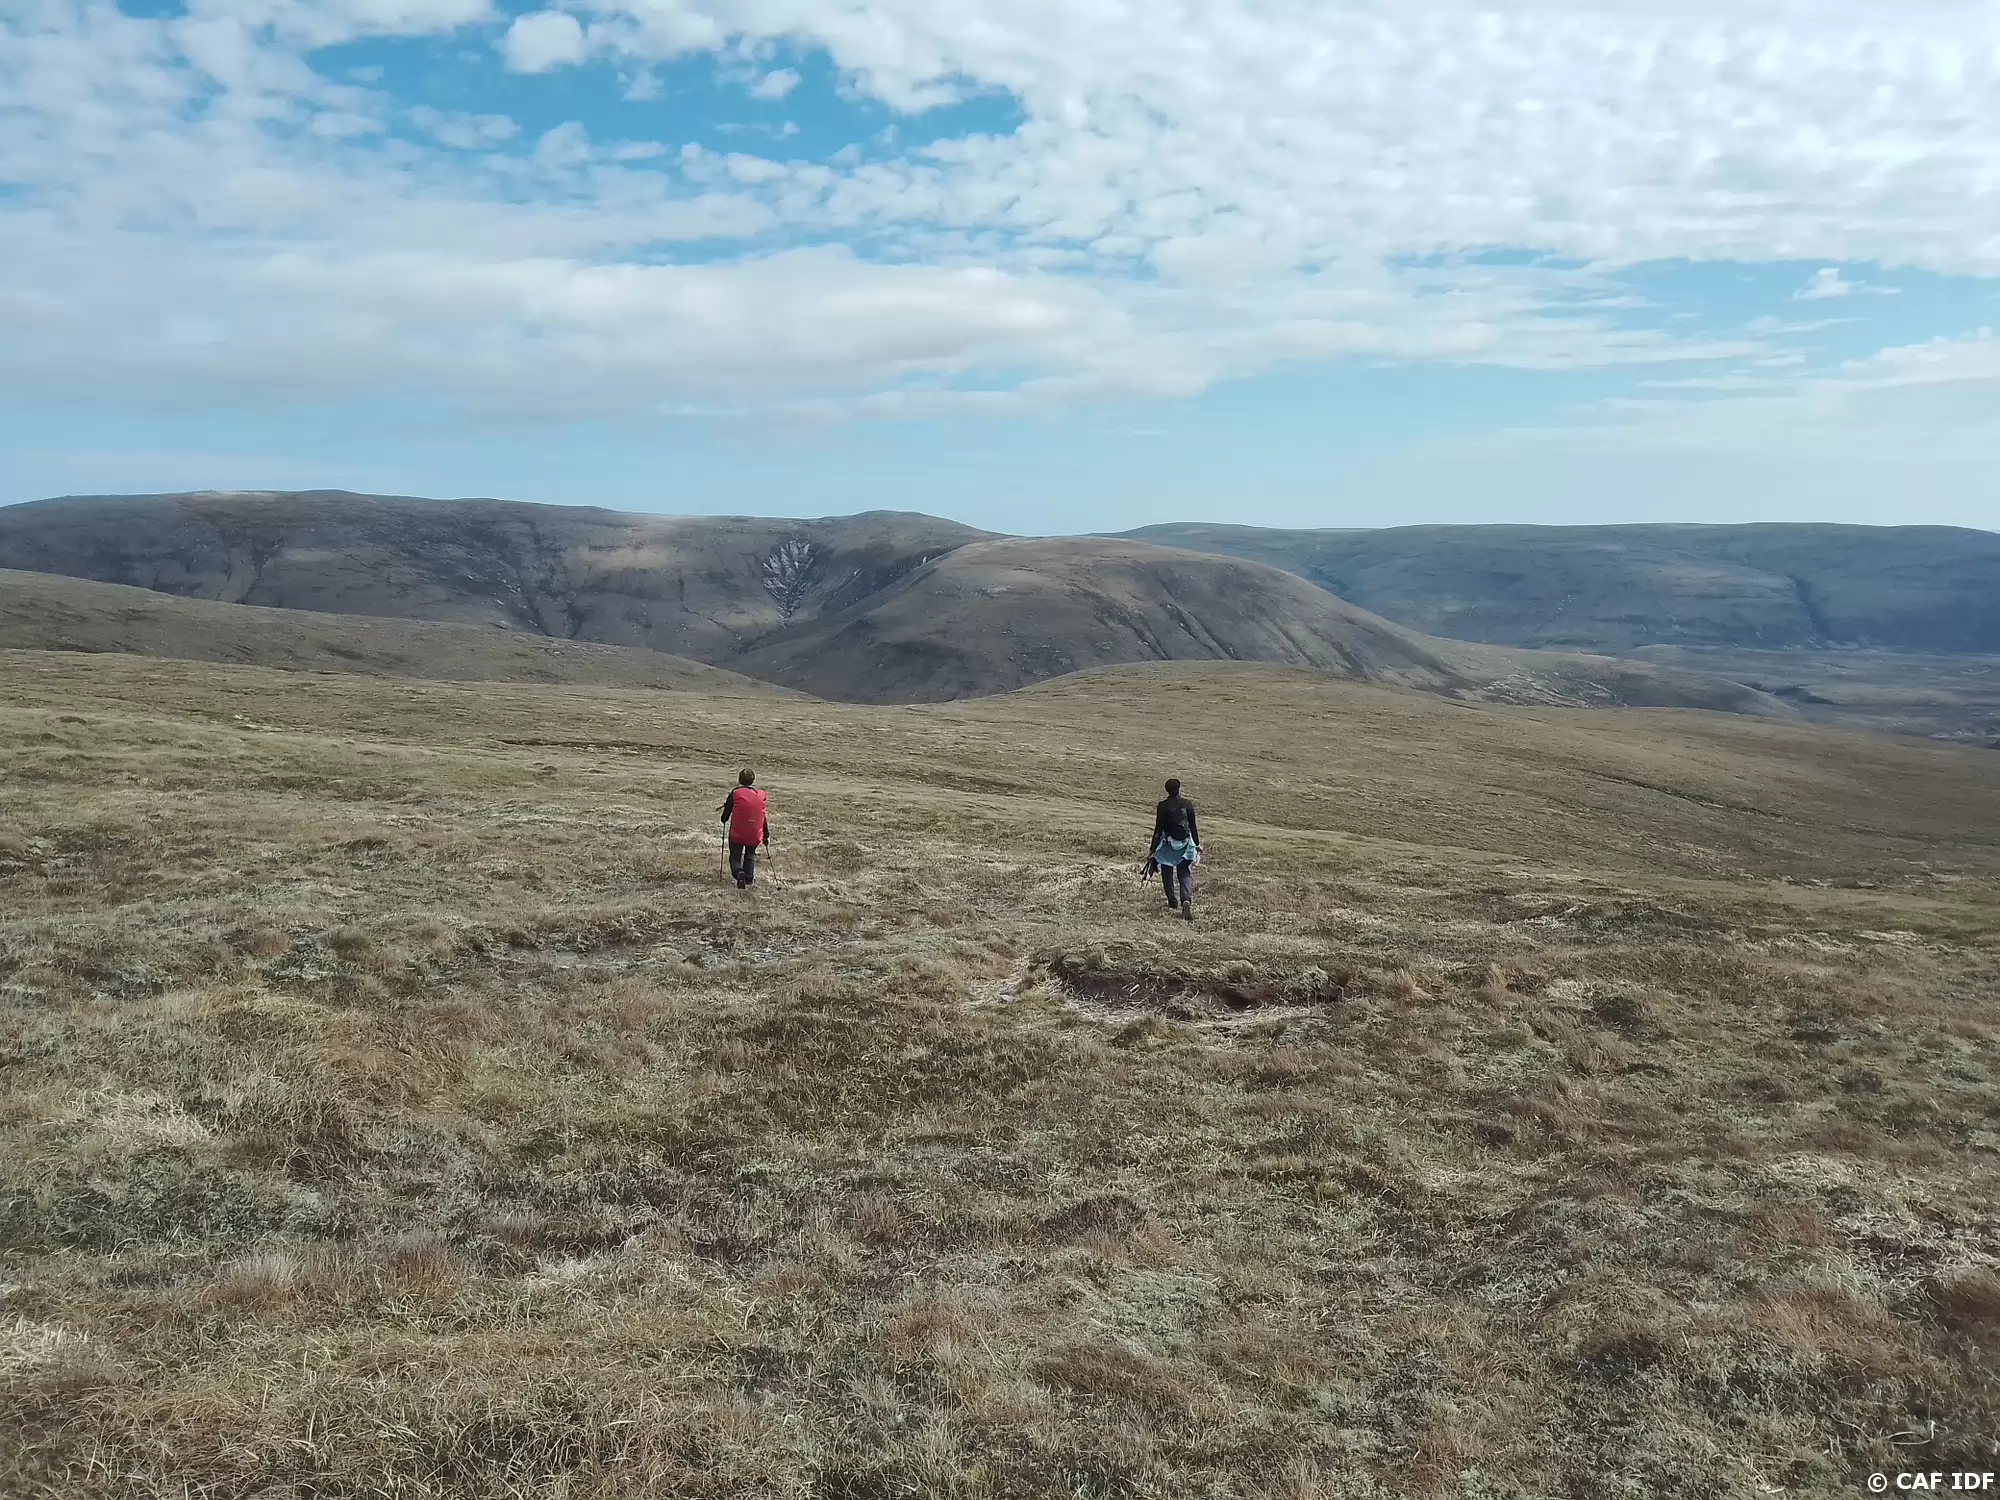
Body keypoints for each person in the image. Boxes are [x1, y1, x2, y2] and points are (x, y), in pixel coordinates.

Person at [1148, 777, 1202, 920]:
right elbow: (1193, 827)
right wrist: (1197, 844)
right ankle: (1186, 900)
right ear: (1179, 788)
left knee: (1167, 873)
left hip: (1168, 845)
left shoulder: (1162, 806)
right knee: (1184, 874)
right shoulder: (1188, 804)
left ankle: (1172, 901)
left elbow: (1158, 830)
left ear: (1166, 790)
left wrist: (1152, 849)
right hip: (1185, 844)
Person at [719, 768, 770, 889]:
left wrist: (724, 818)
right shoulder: (760, 796)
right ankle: (749, 879)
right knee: (750, 855)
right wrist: (766, 835)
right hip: (754, 834)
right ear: (753, 781)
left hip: (737, 833)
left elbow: (725, 817)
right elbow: (762, 817)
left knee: (735, 856)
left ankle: (739, 873)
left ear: (739, 780)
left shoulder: (735, 793)